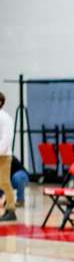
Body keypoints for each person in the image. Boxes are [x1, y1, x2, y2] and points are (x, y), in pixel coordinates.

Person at [0, 90, 16, 222]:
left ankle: (11, 210)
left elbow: (6, 139)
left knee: (4, 183)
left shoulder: (5, 118)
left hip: (3, 156)